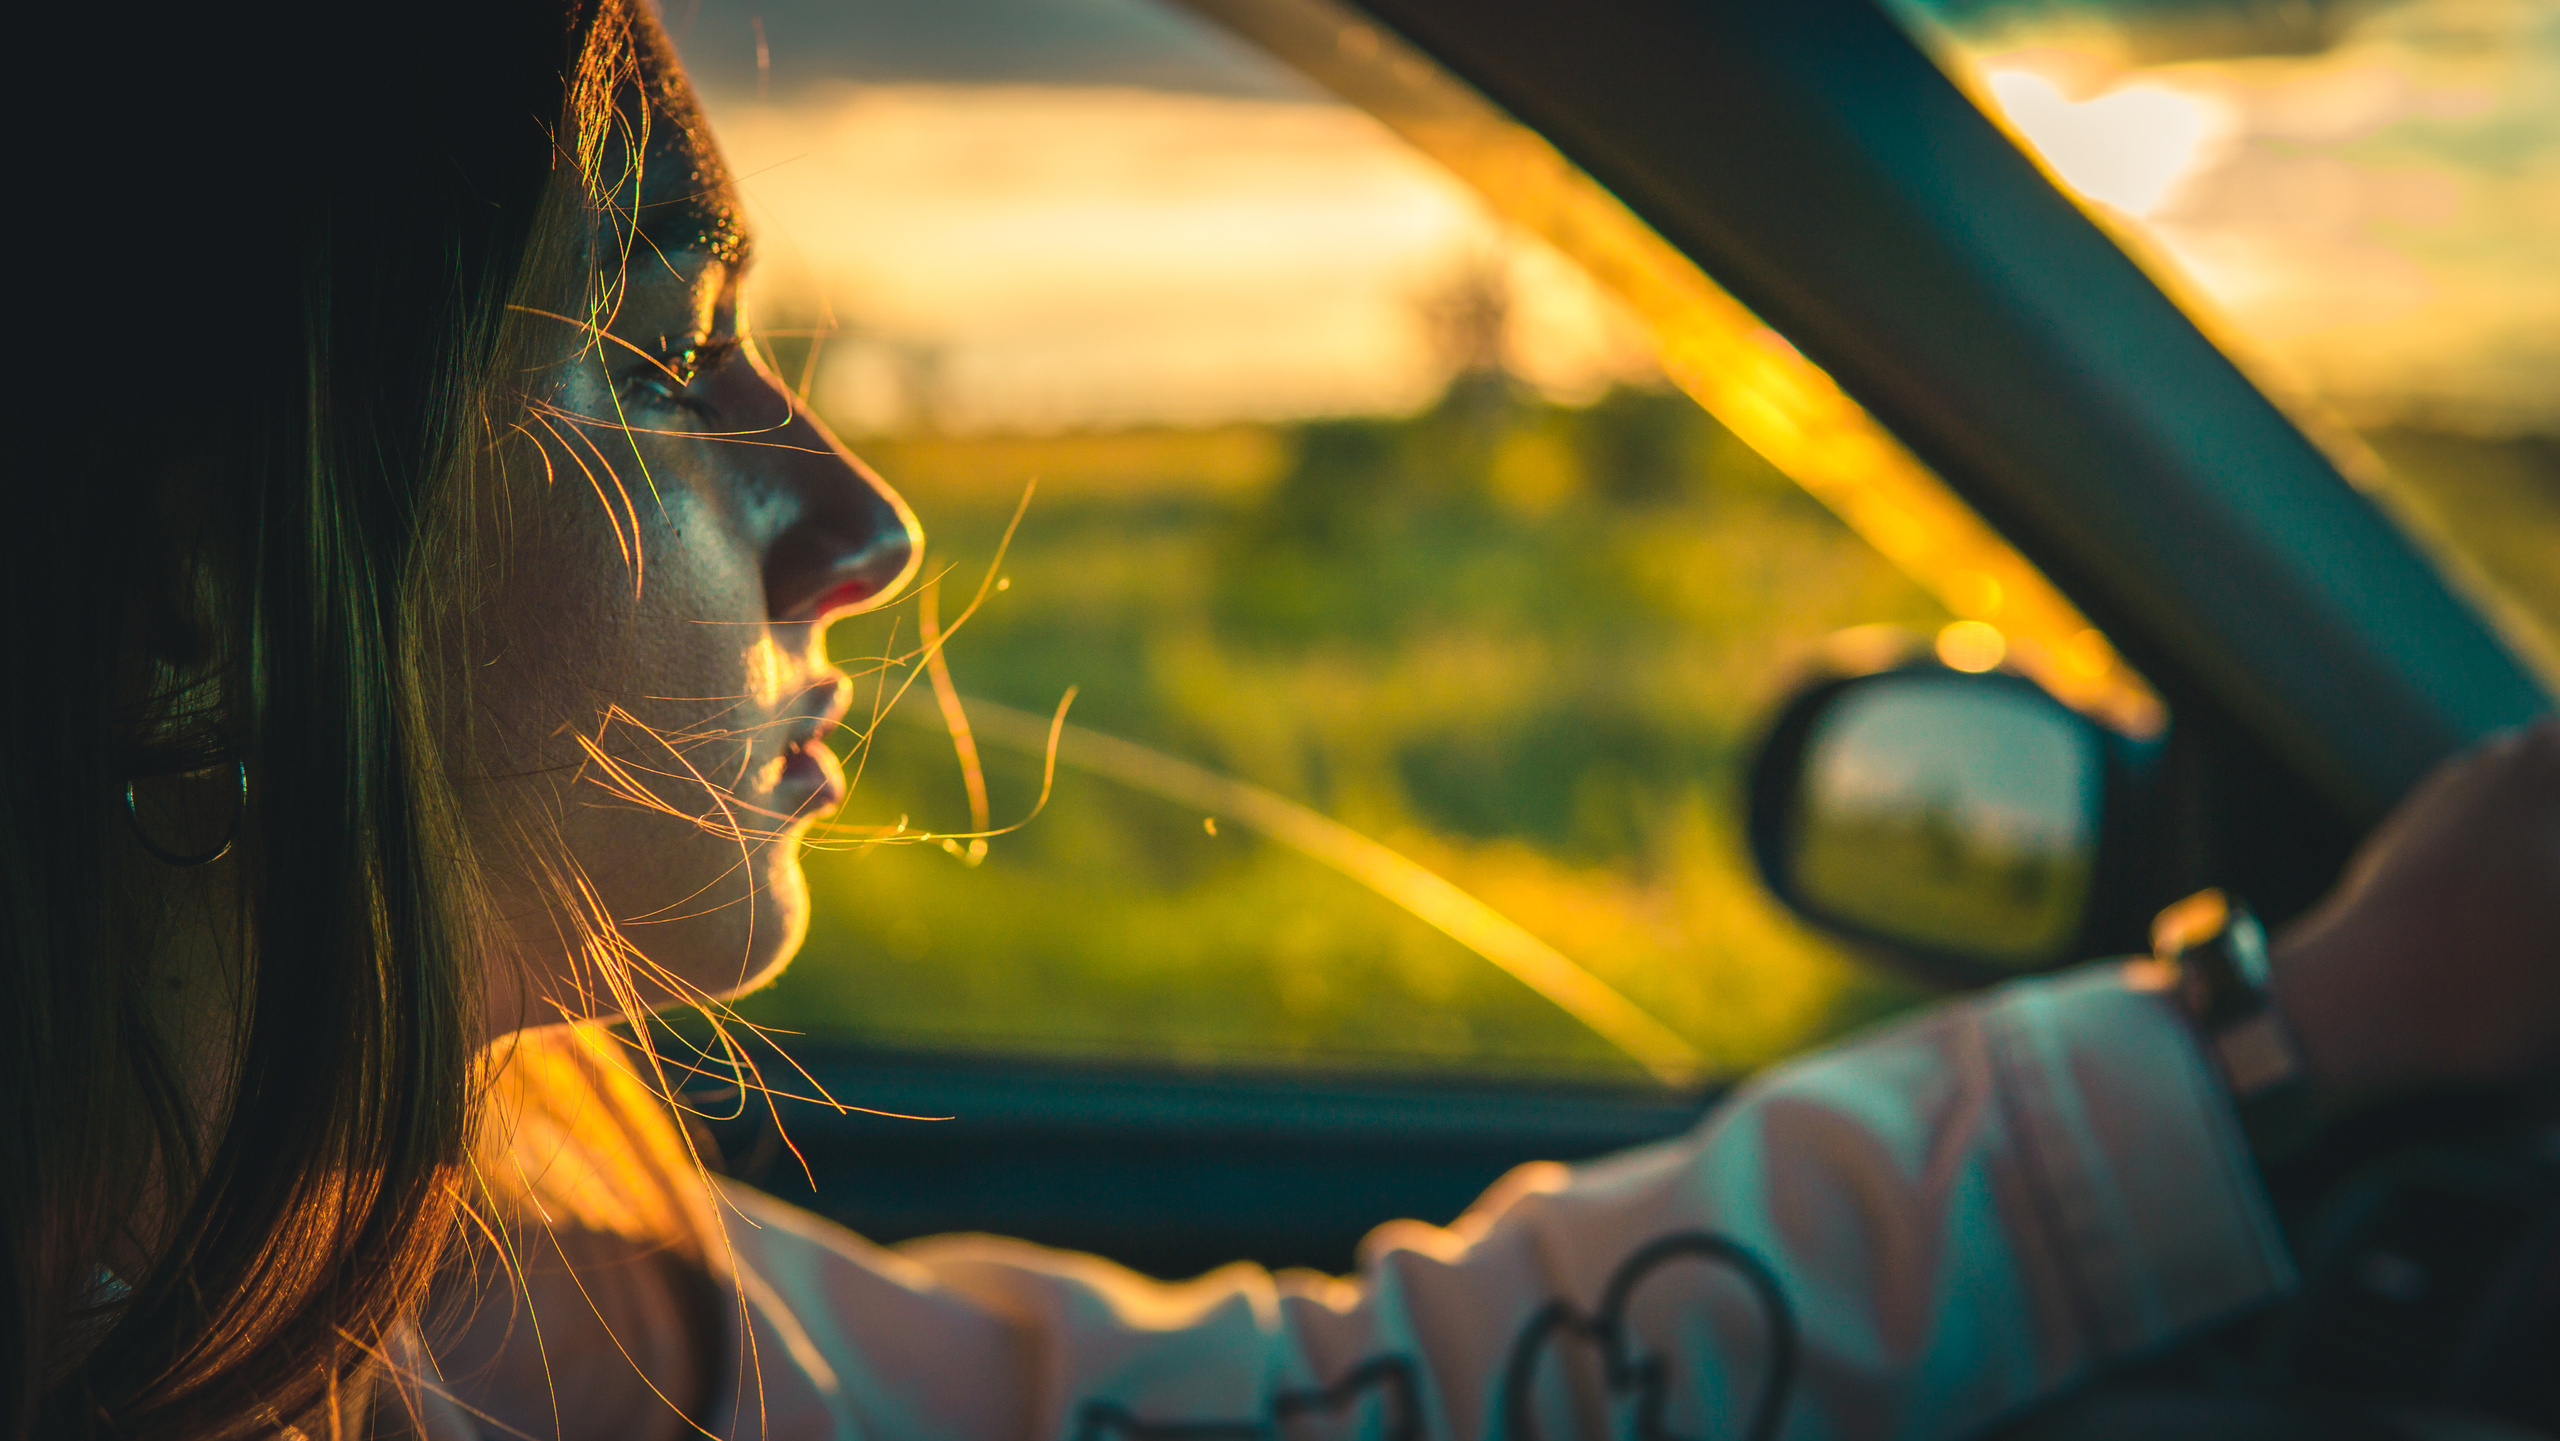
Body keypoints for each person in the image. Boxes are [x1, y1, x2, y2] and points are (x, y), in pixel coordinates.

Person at [7, 3, 2553, 1438]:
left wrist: (2276, 1049)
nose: (862, 519)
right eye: (660, 347)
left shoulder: (455, 1279)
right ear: (187, 601)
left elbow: (1333, 1398)